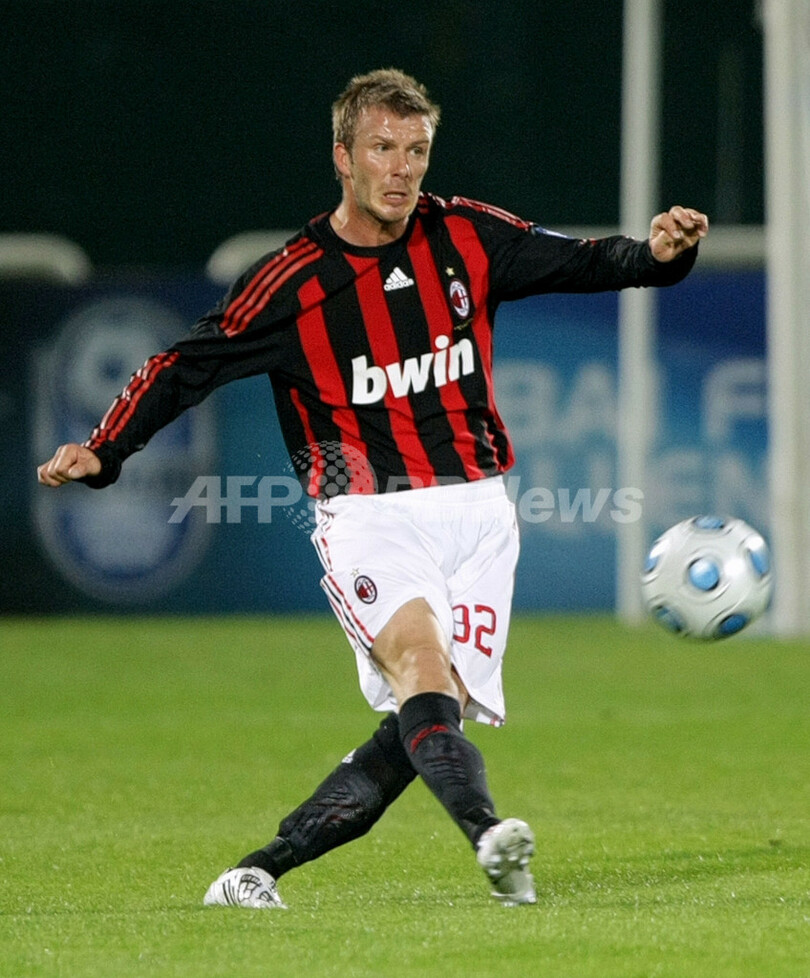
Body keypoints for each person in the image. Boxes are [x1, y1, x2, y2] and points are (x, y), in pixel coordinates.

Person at [38, 68, 708, 909]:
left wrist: (661, 255)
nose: (401, 169)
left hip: (481, 513)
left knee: (425, 718)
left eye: (416, 151)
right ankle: (491, 838)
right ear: (343, 157)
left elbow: (589, 262)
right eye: (383, 149)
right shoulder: (293, 280)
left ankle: (256, 871)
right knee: (422, 669)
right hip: (369, 514)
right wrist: (106, 450)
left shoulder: (465, 235)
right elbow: (185, 366)